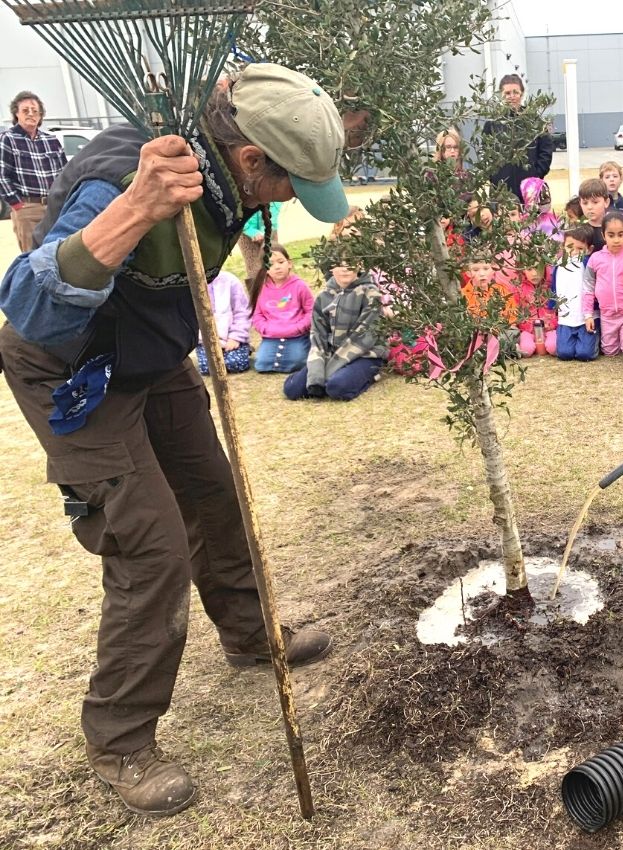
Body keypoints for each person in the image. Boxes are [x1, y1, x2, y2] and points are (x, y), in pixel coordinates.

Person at [0, 63, 339, 817]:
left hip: (151, 353)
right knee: (152, 543)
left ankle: (251, 637)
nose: (289, 202)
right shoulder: (129, 174)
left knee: (215, 497)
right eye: (289, 184)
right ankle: (118, 740)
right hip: (73, 368)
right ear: (252, 159)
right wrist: (135, 209)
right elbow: (27, 303)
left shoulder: (218, 178)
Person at [284, 257, 389, 401]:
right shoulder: (323, 296)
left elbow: (363, 339)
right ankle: (328, 376)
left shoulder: (371, 294)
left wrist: (326, 374)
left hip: (365, 355)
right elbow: (318, 337)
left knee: (336, 387)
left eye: (350, 263)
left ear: (359, 264)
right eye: (339, 264)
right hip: (331, 354)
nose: (345, 268)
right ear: (331, 267)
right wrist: (316, 373)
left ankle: (370, 374)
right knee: (293, 389)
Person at [0, 90, 68, 253]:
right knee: (33, 256)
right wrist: (17, 204)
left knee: (59, 253)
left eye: (35, 110)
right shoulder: (7, 139)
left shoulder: (51, 140)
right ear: (16, 114)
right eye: (25, 110)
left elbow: (65, 173)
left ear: (40, 115)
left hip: (54, 206)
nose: (31, 114)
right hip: (27, 208)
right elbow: (2, 176)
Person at [482, 73, 553, 201]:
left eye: (516, 92)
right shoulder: (492, 124)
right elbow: (485, 154)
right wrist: (494, 177)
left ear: (522, 93)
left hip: (530, 188)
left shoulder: (535, 121)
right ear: (501, 95)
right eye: (507, 93)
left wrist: (536, 175)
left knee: (531, 220)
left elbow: (546, 151)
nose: (512, 96)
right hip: (501, 189)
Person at [583, 211, 623, 357]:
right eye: (611, 235)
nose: (616, 240)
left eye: (621, 234)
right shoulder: (595, 259)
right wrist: (588, 315)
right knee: (610, 352)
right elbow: (588, 287)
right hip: (607, 315)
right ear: (603, 236)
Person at [252, 245, 314, 373]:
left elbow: (311, 312)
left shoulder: (300, 286)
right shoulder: (261, 288)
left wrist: (298, 328)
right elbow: (257, 315)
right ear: (265, 269)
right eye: (270, 264)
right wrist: (266, 329)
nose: (277, 267)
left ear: (289, 263)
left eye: (281, 262)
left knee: (298, 361)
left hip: (297, 335)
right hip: (271, 335)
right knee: (262, 364)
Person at [552, 224, 599, 361]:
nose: (574, 252)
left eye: (580, 249)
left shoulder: (589, 264)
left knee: (585, 354)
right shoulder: (558, 264)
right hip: (566, 318)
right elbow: (554, 287)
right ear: (563, 245)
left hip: (586, 318)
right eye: (570, 247)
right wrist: (552, 307)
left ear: (589, 249)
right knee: (564, 354)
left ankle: (595, 340)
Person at [195, 270, 252, 376]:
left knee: (236, 363)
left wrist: (235, 337)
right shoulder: (191, 283)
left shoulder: (230, 280)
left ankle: (245, 348)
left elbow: (242, 312)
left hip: (231, 338)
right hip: (205, 341)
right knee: (208, 367)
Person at [237, 200, 282, 287]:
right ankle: (256, 298)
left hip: (270, 227)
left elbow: (275, 204)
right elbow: (237, 209)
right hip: (246, 232)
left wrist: (266, 229)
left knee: (275, 264)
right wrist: (250, 230)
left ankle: (278, 296)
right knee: (255, 271)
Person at [599, 160, 623, 249]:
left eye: (615, 176)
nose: (611, 179)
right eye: (607, 177)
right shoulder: (600, 204)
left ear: (621, 179)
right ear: (601, 180)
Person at [577, 177, 614, 253]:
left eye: (595, 202)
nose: (589, 207)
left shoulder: (614, 227)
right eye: (585, 203)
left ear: (606, 202)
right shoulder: (577, 230)